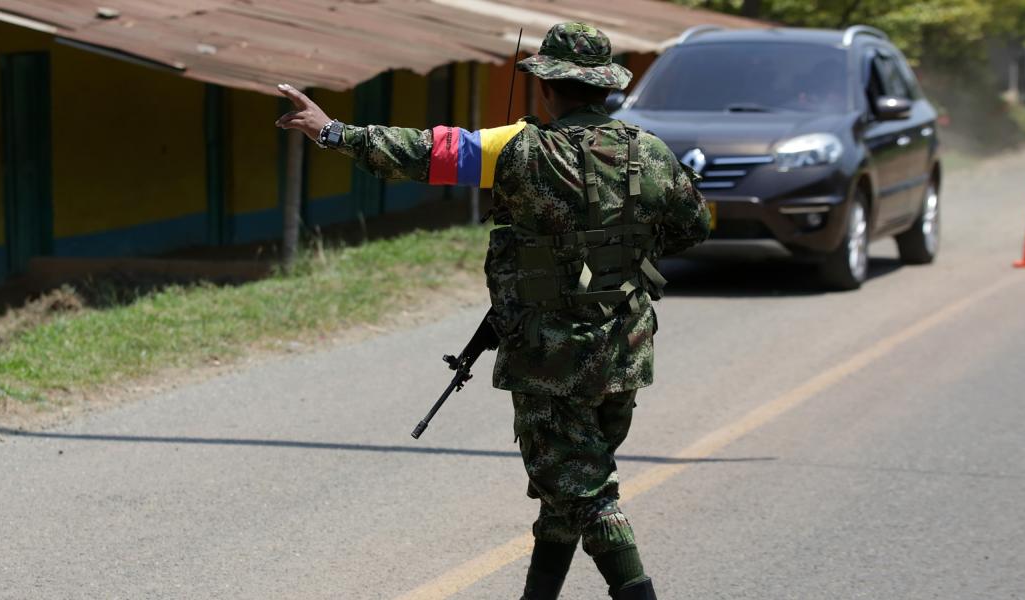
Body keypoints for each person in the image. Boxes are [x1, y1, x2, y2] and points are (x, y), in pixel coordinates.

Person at [276, 22, 710, 600]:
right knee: (565, 488)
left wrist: (332, 131)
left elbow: (420, 152)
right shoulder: (649, 152)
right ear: (604, 88)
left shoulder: (515, 150)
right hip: (621, 353)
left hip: (548, 356)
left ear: (548, 87)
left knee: (586, 493)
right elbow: (693, 227)